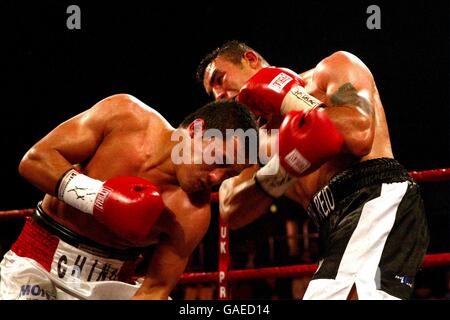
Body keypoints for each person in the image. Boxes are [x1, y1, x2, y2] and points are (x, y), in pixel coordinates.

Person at [196, 40, 430, 300]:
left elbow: (359, 133)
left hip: (373, 196)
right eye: (211, 93)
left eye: (220, 79)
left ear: (250, 59)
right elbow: (231, 209)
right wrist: (286, 165)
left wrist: (290, 99)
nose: (218, 95)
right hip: (333, 224)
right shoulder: (255, 140)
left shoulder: (330, 71)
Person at [0, 93, 257, 300]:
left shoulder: (193, 213)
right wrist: (98, 197)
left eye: (228, 174)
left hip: (112, 285)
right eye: (218, 159)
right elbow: (34, 161)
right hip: (37, 263)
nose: (216, 178)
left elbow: (155, 290)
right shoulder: (125, 118)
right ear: (195, 130)